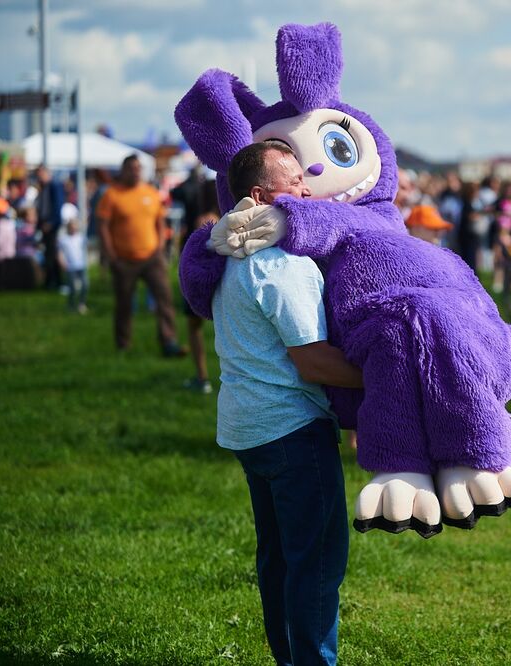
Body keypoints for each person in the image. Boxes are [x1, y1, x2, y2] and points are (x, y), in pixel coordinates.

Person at [214, 141, 362, 666]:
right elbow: (314, 362)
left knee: (279, 561)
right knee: (316, 564)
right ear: (261, 195)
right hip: (291, 430)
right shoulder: (279, 264)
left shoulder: (235, 253)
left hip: (250, 427)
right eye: (294, 179)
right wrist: (383, 379)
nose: (305, 187)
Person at [96, 154, 185, 356]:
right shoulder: (112, 195)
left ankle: (169, 341)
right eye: (132, 168)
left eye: (138, 168)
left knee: (165, 300)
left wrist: (160, 247)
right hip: (123, 259)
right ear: (124, 170)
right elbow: (103, 227)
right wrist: (111, 256)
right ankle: (123, 345)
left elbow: (160, 223)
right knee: (124, 304)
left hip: (152, 257)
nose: (136, 171)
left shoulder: (151, 193)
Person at [172, 165, 221, 393]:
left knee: (194, 326)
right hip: (225, 272)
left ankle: (203, 377)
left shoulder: (199, 203)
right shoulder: (235, 202)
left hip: (199, 270)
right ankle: (206, 378)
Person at [34, 165, 66, 290]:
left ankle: (55, 281)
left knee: (53, 254)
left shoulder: (54, 186)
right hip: (46, 225)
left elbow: (57, 206)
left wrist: (51, 223)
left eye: (40, 174)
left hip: (52, 226)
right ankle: (50, 281)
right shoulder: (44, 188)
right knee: (49, 254)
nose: (39, 177)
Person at [57, 213, 89, 314]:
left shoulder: (81, 238)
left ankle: (81, 304)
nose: (74, 228)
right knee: (73, 288)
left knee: (85, 285)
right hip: (70, 266)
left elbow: (85, 250)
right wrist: (62, 262)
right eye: (72, 226)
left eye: (75, 226)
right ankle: (70, 305)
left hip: (81, 265)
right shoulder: (64, 240)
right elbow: (60, 253)